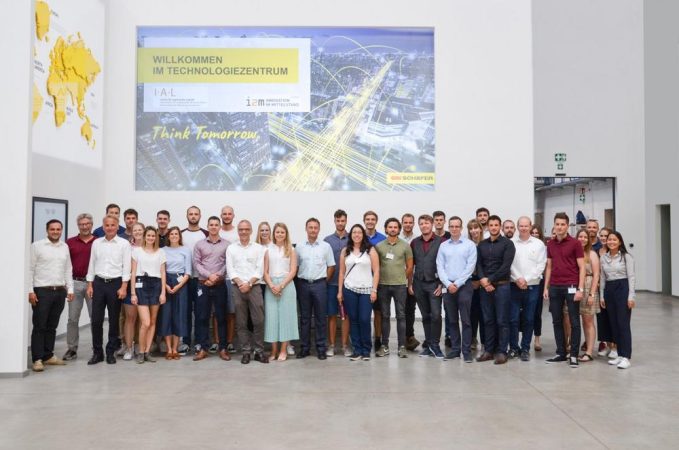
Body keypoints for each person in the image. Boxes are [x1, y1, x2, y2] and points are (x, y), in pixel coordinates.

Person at [28, 219, 74, 372]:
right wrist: (30, 290)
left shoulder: (64, 247)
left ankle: (48, 355)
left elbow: (68, 269)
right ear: (47, 230)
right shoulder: (37, 246)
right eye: (52, 229)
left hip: (60, 291)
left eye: (58, 229)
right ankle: (37, 359)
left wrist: (70, 289)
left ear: (61, 230)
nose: (55, 232)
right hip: (42, 291)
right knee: (40, 326)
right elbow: (30, 269)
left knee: (52, 326)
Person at [86, 216, 131, 365]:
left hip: (115, 284)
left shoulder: (124, 244)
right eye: (107, 225)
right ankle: (97, 352)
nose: (110, 227)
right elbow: (92, 264)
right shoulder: (96, 243)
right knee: (96, 320)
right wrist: (90, 284)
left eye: (112, 225)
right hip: (98, 283)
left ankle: (110, 351)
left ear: (117, 227)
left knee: (113, 320)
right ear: (103, 227)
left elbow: (126, 267)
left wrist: (124, 286)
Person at [543, 212, 585, 368]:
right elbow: (549, 267)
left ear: (567, 226)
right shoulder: (550, 244)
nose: (559, 227)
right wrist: (546, 287)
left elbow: (582, 267)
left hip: (571, 286)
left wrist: (580, 289)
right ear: (554, 225)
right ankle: (561, 352)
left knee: (574, 321)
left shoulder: (575, 243)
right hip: (555, 287)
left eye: (562, 224)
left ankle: (573, 355)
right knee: (556, 320)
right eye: (557, 224)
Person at [476, 215, 516, 364]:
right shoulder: (482, 245)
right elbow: (478, 264)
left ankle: (501, 352)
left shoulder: (508, 244)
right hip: (485, 287)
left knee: (502, 320)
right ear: (488, 227)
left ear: (500, 227)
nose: (493, 227)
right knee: (488, 320)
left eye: (496, 225)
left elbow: (505, 266)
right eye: (491, 225)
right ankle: (489, 351)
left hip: (502, 286)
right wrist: (483, 279)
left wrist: (489, 280)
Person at [436, 216, 477, 362]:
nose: (454, 229)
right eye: (451, 226)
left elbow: (470, 267)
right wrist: (448, 284)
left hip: (464, 286)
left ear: (461, 227)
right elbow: (440, 266)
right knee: (452, 320)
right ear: (448, 227)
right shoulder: (443, 246)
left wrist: (457, 284)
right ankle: (455, 350)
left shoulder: (469, 245)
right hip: (448, 286)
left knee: (466, 320)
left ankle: (466, 351)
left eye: (457, 226)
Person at [227, 220, 267, 364]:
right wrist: (240, 283)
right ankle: (246, 351)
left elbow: (260, 269)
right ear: (238, 231)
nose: (243, 232)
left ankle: (259, 351)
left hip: (254, 287)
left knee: (259, 320)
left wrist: (249, 283)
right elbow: (230, 269)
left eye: (246, 229)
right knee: (241, 321)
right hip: (237, 288)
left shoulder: (258, 248)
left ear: (251, 231)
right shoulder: (231, 248)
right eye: (241, 229)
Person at [338, 224, 379, 361]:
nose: (357, 235)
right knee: (353, 320)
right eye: (354, 232)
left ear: (363, 235)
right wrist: (340, 291)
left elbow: (376, 271)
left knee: (364, 319)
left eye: (359, 232)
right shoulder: (345, 251)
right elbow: (341, 272)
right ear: (351, 235)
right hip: (349, 289)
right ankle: (357, 350)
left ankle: (366, 350)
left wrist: (374, 290)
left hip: (366, 290)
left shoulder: (370, 250)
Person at [296, 218, 336, 360]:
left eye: (315, 227)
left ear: (319, 229)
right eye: (310, 227)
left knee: (320, 318)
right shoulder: (299, 247)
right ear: (306, 229)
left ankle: (321, 348)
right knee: (305, 318)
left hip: (320, 285)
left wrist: (324, 281)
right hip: (303, 285)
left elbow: (331, 266)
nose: (313, 230)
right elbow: (296, 266)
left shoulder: (326, 246)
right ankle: (304, 348)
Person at [192, 216, 230, 362]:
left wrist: (217, 276)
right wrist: (209, 276)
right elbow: (197, 263)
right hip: (203, 284)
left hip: (220, 285)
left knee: (221, 317)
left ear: (220, 227)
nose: (213, 227)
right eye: (211, 225)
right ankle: (203, 349)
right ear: (207, 227)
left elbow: (228, 263)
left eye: (216, 225)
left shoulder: (227, 244)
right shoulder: (199, 244)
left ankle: (223, 348)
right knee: (202, 317)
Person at [375, 218, 414, 358]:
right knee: (385, 316)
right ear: (386, 229)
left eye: (395, 227)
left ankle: (401, 347)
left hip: (400, 286)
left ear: (399, 229)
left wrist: (401, 277)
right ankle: (384, 346)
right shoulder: (379, 246)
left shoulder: (405, 246)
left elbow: (410, 266)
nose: (392, 229)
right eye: (390, 227)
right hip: (383, 286)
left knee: (401, 316)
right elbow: (376, 266)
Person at [509, 217, 546, 361]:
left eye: (526, 226)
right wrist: (518, 278)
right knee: (513, 319)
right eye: (521, 226)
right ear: (517, 227)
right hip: (514, 285)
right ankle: (513, 348)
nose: (523, 228)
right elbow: (509, 264)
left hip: (532, 286)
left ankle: (525, 349)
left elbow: (541, 265)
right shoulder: (511, 243)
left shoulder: (539, 244)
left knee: (529, 319)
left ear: (530, 227)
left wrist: (526, 279)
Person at [130, 226, 167, 363]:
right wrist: (133, 293)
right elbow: (133, 273)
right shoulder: (137, 251)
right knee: (145, 322)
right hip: (141, 284)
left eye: (153, 236)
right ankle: (140, 352)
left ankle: (147, 351)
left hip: (156, 284)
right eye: (149, 235)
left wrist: (163, 292)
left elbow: (163, 273)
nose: (151, 238)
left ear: (156, 237)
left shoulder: (161, 252)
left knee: (152, 321)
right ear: (144, 236)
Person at [409, 215, 444, 358]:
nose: (424, 226)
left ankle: (435, 345)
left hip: (435, 283)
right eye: (421, 223)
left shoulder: (441, 242)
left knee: (436, 315)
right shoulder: (414, 242)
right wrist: (410, 283)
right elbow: (411, 265)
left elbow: (445, 264)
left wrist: (442, 284)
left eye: (427, 223)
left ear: (432, 224)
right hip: (418, 283)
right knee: (425, 316)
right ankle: (429, 345)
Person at [600, 231, 636, 369]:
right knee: (613, 323)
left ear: (620, 242)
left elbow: (631, 277)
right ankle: (619, 355)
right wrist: (602, 295)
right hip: (609, 289)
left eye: (614, 240)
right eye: (609, 239)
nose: (611, 242)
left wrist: (631, 296)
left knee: (623, 323)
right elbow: (602, 278)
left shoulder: (626, 257)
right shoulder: (604, 258)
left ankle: (626, 357)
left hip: (623, 288)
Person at [263, 223, 299, 361]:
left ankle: (283, 350)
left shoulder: (291, 249)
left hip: (287, 285)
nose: (279, 234)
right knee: (272, 318)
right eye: (277, 232)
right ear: (274, 234)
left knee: (286, 317)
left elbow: (293, 271)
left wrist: (281, 285)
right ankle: (274, 351)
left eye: (282, 232)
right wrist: (272, 285)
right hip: (271, 286)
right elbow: (265, 271)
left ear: (286, 234)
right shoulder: (267, 249)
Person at [63, 213, 95, 361]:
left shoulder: (98, 242)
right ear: (78, 226)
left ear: (91, 225)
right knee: (73, 318)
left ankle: (96, 348)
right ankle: (72, 349)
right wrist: (67, 284)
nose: (84, 226)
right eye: (82, 224)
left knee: (95, 318)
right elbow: (64, 264)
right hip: (74, 283)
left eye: (87, 223)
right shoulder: (69, 242)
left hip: (93, 284)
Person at [180, 206, 208, 355]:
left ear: (200, 216)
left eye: (196, 214)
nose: (193, 216)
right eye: (190, 214)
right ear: (187, 216)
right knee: (185, 312)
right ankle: (185, 342)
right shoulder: (181, 234)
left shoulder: (205, 234)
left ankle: (199, 342)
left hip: (200, 279)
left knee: (200, 312)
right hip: (185, 279)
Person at [161, 226, 191, 359]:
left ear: (179, 236)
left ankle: (175, 349)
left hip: (181, 283)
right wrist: (166, 286)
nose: (174, 236)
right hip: (165, 281)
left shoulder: (185, 250)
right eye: (171, 234)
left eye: (176, 234)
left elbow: (188, 272)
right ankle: (168, 349)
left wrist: (178, 286)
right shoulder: (162, 250)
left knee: (179, 315)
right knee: (166, 315)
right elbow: (160, 270)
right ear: (168, 236)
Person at [324, 210, 351, 357]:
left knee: (346, 315)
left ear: (346, 221)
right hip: (331, 284)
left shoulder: (352, 238)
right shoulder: (327, 240)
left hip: (348, 285)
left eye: (343, 221)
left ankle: (345, 346)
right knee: (332, 315)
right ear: (334, 221)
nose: (340, 223)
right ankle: (332, 345)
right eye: (338, 221)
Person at [119, 222, 144, 360]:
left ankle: (140, 346)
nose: (138, 232)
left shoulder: (149, 246)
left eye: (140, 230)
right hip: (130, 285)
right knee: (130, 318)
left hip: (146, 286)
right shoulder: (126, 247)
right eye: (135, 230)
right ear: (131, 232)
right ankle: (129, 348)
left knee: (143, 319)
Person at [575, 229, 600, 362]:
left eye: (585, 237)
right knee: (574, 320)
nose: (583, 239)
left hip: (589, 287)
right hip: (575, 287)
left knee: (588, 321)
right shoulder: (574, 252)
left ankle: (589, 352)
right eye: (580, 236)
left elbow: (596, 275)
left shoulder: (592, 254)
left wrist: (591, 294)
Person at [363, 210, 385, 351]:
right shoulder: (359, 236)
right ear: (364, 221)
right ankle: (363, 339)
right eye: (367, 219)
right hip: (362, 281)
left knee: (378, 312)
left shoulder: (382, 238)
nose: (370, 221)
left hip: (378, 281)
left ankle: (377, 338)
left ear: (376, 221)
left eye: (372, 219)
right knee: (364, 314)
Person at [218, 205, 238, 352]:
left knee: (231, 312)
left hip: (232, 278)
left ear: (233, 216)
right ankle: (217, 341)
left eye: (229, 214)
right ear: (221, 215)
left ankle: (230, 341)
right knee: (216, 313)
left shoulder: (238, 233)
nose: (226, 216)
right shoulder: (216, 231)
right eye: (224, 214)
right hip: (217, 278)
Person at [596, 227, 616, 357]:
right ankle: (608, 345)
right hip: (599, 289)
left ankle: (615, 347)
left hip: (611, 287)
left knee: (613, 318)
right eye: (601, 236)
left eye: (606, 236)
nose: (603, 238)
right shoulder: (597, 251)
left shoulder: (613, 251)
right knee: (602, 319)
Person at [467, 219, 485, 352]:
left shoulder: (485, 244)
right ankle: (472, 338)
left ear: (480, 229)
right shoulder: (467, 245)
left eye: (476, 228)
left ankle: (485, 340)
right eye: (471, 228)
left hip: (484, 282)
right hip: (470, 283)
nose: (474, 231)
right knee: (471, 313)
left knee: (484, 314)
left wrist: (481, 280)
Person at [530, 225, 546, 352]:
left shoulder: (543, 247)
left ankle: (537, 339)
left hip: (539, 281)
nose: (535, 235)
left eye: (537, 233)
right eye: (533, 233)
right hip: (525, 281)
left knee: (537, 312)